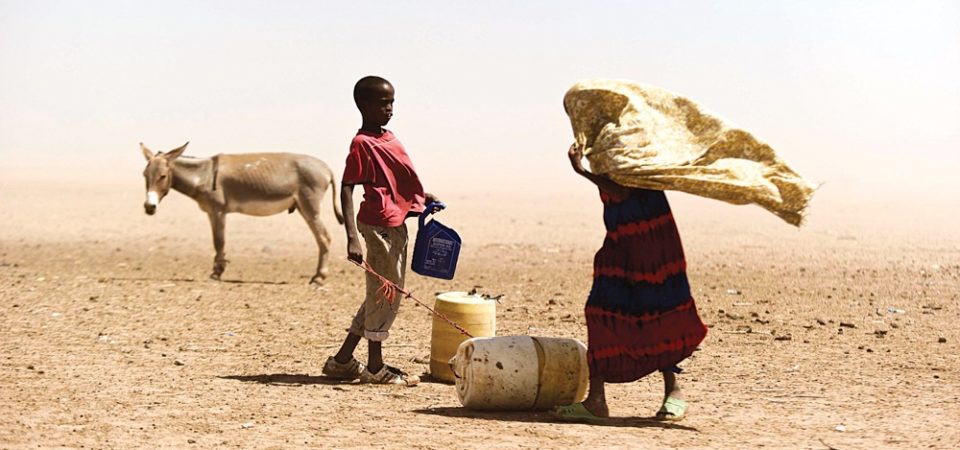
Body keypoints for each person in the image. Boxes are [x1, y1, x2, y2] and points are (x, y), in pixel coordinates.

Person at [553, 142, 708, 421]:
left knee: (659, 314)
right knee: (601, 311)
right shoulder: (602, 142)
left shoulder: (628, 143)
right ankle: (596, 401)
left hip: (651, 241)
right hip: (621, 240)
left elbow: (622, 188)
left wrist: (581, 171)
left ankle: (673, 391)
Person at [321, 76, 441, 384]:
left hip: (396, 224)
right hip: (378, 227)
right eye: (383, 103)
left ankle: (343, 360)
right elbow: (347, 188)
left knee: (380, 293)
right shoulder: (362, 143)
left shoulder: (388, 137)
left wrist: (419, 197)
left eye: (392, 103)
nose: (389, 109)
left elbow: (393, 179)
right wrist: (351, 237)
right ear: (364, 106)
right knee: (385, 295)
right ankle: (375, 366)